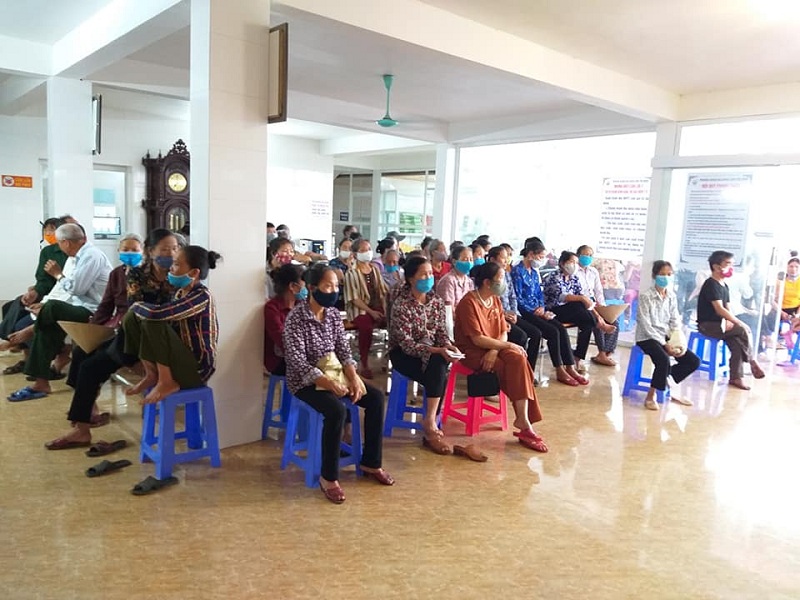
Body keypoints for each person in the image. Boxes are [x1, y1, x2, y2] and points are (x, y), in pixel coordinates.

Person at [44, 231, 179, 448]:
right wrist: (94, 330)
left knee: (92, 365)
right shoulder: (135, 274)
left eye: (175, 248)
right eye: (165, 249)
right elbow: (135, 309)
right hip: (133, 334)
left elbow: (175, 313)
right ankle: (83, 424)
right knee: (85, 355)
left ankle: (85, 414)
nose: (171, 254)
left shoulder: (179, 274)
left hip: (158, 342)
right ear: (151, 251)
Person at [283, 264, 393, 504]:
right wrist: (329, 384)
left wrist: (353, 377)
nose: (333, 291)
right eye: (327, 286)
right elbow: (298, 362)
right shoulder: (296, 319)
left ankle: (371, 463)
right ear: (312, 288)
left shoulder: (333, 314)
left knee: (375, 398)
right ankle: (329, 477)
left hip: (335, 373)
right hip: (305, 382)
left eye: (336, 286)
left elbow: (344, 351)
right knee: (336, 410)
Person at [8, 224, 112, 401]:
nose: (58, 247)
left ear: (66, 243)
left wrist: (57, 274)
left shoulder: (92, 255)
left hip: (95, 311)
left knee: (51, 311)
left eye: (59, 243)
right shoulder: (73, 258)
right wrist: (43, 303)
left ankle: (31, 330)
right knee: (48, 323)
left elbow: (77, 289)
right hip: (76, 306)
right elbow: (61, 289)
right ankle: (41, 383)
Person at [455, 262, 547, 452]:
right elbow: (477, 339)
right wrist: (506, 346)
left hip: (494, 347)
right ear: (487, 282)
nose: (504, 283)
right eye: (500, 279)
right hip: (472, 351)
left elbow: (503, 331)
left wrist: (496, 350)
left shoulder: (495, 300)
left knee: (518, 358)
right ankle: (525, 424)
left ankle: (522, 419)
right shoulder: (468, 303)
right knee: (505, 364)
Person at [122, 245, 221, 404]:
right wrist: (135, 311)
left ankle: (166, 381)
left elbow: (157, 314)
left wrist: (136, 305)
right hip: (178, 361)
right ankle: (152, 374)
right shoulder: (179, 293)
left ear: (193, 273)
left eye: (176, 264)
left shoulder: (202, 296)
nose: (171, 268)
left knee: (153, 321)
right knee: (131, 318)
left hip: (197, 369)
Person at [388, 255, 461, 454]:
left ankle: (429, 421)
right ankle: (430, 424)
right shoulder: (401, 305)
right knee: (438, 367)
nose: (429, 278)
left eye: (430, 274)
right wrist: (437, 350)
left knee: (439, 364)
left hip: (431, 352)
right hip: (404, 355)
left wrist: (448, 346)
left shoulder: (436, 301)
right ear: (411, 278)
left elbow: (441, 333)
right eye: (423, 275)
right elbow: (407, 345)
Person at [513, 241, 587, 386]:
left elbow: (539, 293)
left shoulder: (534, 272)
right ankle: (557, 369)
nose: (542, 260)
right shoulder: (518, 271)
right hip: (525, 312)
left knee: (560, 329)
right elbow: (518, 298)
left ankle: (569, 367)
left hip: (539, 310)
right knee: (551, 332)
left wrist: (541, 307)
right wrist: (535, 310)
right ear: (531, 254)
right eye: (540, 256)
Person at [0, 218, 68, 362]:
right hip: (47, 292)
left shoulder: (71, 253)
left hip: (61, 295)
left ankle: (15, 342)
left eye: (51, 230)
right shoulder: (47, 251)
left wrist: (56, 276)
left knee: (23, 316)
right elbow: (43, 279)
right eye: (46, 231)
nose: (48, 234)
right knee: (16, 303)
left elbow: (70, 284)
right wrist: (35, 292)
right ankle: (18, 346)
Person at [636, 260, 700, 410]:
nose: (665, 277)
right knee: (663, 359)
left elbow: (674, 320)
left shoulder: (671, 296)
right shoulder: (646, 296)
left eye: (669, 274)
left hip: (666, 336)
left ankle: (667, 381)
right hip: (647, 337)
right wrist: (665, 345)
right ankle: (650, 396)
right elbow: (646, 325)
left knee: (693, 361)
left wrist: (677, 341)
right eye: (662, 274)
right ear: (655, 275)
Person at [696, 250, 765, 390]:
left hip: (721, 324)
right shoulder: (711, 284)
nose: (731, 267)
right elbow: (719, 309)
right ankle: (752, 360)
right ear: (716, 267)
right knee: (743, 330)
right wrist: (739, 323)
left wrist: (731, 320)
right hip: (708, 325)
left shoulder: (724, 285)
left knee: (737, 343)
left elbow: (727, 308)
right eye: (728, 264)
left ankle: (735, 378)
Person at [488, 245, 542, 376]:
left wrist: (514, 313)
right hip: (497, 317)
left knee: (536, 333)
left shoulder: (506, 274)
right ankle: (515, 372)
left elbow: (512, 296)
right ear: (492, 259)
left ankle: (528, 371)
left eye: (507, 257)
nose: (506, 260)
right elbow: (489, 302)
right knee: (521, 336)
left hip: (511, 314)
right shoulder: (487, 277)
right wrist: (504, 315)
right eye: (503, 257)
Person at [542, 251, 598, 376]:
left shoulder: (574, 278)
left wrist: (583, 299)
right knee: (579, 305)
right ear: (562, 263)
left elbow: (580, 294)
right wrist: (582, 299)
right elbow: (562, 297)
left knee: (587, 324)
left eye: (576, 263)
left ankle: (577, 357)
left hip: (571, 310)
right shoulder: (553, 277)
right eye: (571, 262)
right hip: (554, 310)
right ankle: (597, 323)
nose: (574, 265)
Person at [343, 238, 388, 379]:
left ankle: (390, 359)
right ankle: (364, 363)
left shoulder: (374, 270)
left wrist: (385, 310)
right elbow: (354, 298)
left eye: (368, 249)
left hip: (376, 306)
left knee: (394, 322)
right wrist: (371, 312)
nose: (367, 252)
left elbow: (382, 292)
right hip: (360, 310)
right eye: (362, 250)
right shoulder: (351, 273)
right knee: (366, 327)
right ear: (355, 254)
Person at [575, 245, 619, 366]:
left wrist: (603, 307)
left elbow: (598, 291)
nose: (588, 257)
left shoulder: (593, 271)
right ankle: (602, 353)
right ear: (578, 255)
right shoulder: (574, 271)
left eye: (590, 255)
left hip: (594, 304)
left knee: (614, 321)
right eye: (585, 254)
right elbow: (578, 293)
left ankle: (606, 353)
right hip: (581, 304)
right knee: (597, 321)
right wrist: (595, 309)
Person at [264, 263, 307, 376]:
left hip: (302, 354)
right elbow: (282, 340)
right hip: (279, 360)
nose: (306, 288)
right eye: (304, 283)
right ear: (292, 286)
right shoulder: (272, 308)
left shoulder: (302, 305)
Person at [436, 244, 474, 326]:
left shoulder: (469, 281)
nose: (469, 262)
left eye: (471, 259)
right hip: (452, 324)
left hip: (466, 321)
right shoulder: (448, 280)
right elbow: (449, 310)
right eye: (465, 259)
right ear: (454, 261)